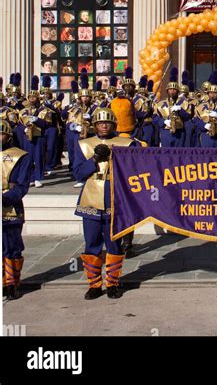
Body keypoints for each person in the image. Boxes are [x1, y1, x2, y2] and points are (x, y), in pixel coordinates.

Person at [73, 107, 144, 300]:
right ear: (94, 124)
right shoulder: (83, 144)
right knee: (92, 243)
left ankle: (113, 283)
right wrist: (94, 159)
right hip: (91, 196)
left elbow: (137, 169)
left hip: (116, 195)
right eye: (100, 122)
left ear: (114, 124)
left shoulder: (127, 143)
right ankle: (94, 284)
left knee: (114, 244)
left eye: (108, 122)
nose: (104, 126)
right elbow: (78, 173)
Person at [2, 119, 33, 299]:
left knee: (11, 246)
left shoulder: (21, 155)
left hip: (9, 206)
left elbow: (22, 185)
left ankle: (12, 283)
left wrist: (6, 198)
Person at [153, 68, 191, 147]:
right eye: (170, 89)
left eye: (174, 89)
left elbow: (188, 116)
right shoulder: (160, 104)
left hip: (179, 131)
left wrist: (180, 110)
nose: (172, 91)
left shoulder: (184, 103)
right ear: (167, 91)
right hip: (165, 131)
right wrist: (163, 122)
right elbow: (154, 117)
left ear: (178, 91)